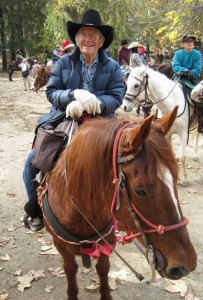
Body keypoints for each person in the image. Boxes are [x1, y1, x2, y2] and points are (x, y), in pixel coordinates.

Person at [22, 8, 124, 231]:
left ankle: (119, 215)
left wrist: (98, 103)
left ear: (102, 40)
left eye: (93, 35)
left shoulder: (114, 67)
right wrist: (71, 97)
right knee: (31, 163)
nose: (88, 39)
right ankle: (37, 210)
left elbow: (117, 96)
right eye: (83, 35)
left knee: (125, 165)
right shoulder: (63, 63)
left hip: (101, 123)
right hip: (64, 119)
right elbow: (52, 92)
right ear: (76, 39)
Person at [172, 34, 203, 133]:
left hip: (192, 80)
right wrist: (186, 70)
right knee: (168, 92)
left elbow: (197, 69)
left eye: (191, 41)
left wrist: (187, 72)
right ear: (183, 43)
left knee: (200, 96)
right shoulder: (178, 53)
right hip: (179, 78)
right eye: (187, 41)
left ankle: (202, 120)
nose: (190, 43)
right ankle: (160, 116)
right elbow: (175, 66)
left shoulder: (196, 54)